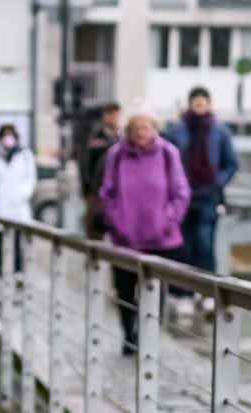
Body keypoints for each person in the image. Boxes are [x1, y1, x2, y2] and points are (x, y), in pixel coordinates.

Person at [95, 101, 191, 355]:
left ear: (155, 128)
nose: (141, 132)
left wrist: (167, 221)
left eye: (146, 126)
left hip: (160, 239)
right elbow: (107, 192)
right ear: (129, 129)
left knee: (155, 292)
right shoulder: (116, 155)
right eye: (136, 127)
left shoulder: (168, 153)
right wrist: (116, 221)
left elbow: (181, 193)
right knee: (125, 291)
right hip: (124, 239)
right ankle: (129, 336)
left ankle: (148, 339)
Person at [162, 86, 239, 310]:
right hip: (183, 198)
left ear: (209, 104)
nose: (199, 107)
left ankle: (206, 292)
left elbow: (231, 164)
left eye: (202, 103)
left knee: (205, 245)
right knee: (184, 245)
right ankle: (181, 293)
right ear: (190, 104)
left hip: (209, 197)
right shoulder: (177, 131)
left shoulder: (220, 132)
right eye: (195, 103)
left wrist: (218, 181)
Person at [0, 123, 38, 278]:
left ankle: (18, 271)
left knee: (18, 239)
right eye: (5, 135)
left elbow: (30, 178)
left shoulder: (25, 154)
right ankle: (0, 271)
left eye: (11, 135)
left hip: (18, 204)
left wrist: (23, 194)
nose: (8, 138)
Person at [78, 102, 120, 240]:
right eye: (110, 115)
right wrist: (88, 191)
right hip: (96, 189)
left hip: (118, 191)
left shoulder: (123, 138)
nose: (114, 119)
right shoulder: (94, 137)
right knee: (94, 229)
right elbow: (84, 164)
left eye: (116, 115)